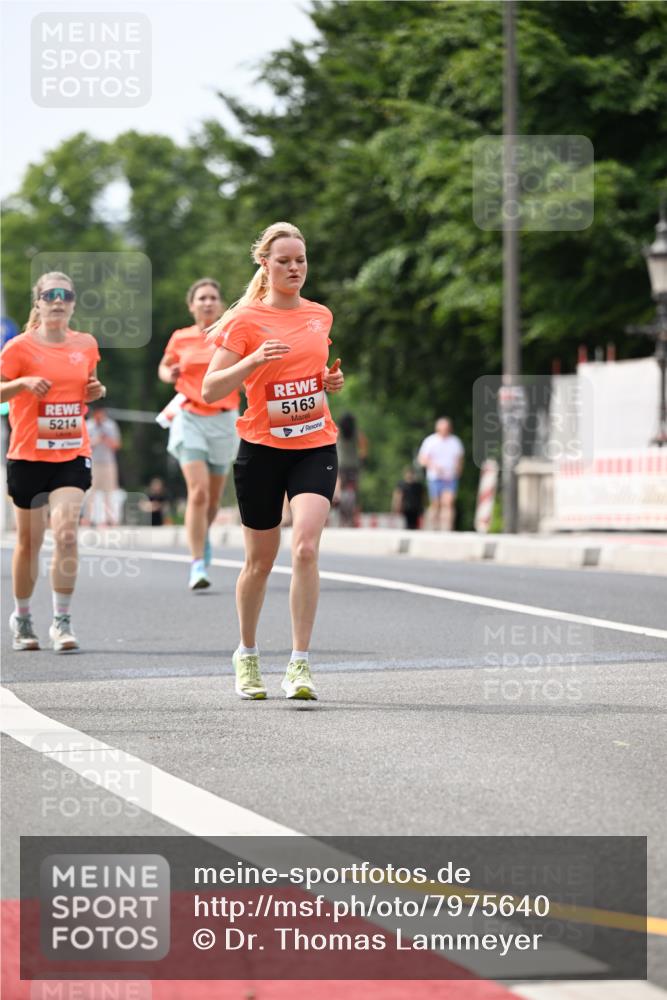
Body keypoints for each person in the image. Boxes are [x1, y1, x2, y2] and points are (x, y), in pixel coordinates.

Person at [202, 222, 344, 701]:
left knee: (305, 547)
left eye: (300, 260)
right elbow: (211, 388)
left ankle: (300, 665)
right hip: (262, 450)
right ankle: (247, 655)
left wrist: (328, 384)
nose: (294, 268)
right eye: (284, 260)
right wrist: (254, 360)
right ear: (264, 264)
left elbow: (312, 372)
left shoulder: (320, 316)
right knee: (259, 563)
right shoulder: (244, 321)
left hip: (314, 443)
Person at [0, 271, 106, 651]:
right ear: (38, 303)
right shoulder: (18, 348)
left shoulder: (86, 344)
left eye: (65, 294)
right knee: (29, 541)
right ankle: (23, 617)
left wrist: (97, 390)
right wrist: (22, 385)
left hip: (71, 453)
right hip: (28, 455)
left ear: (73, 303)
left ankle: (61, 621)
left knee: (65, 533)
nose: (57, 300)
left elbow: (89, 388)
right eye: (50, 295)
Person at [158, 279, 239, 590]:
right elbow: (164, 367)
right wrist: (171, 374)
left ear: (220, 304)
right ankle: (196, 563)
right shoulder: (180, 338)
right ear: (191, 305)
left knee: (214, 498)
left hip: (223, 419)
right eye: (201, 298)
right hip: (189, 417)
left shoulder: (230, 334)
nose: (207, 303)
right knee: (199, 492)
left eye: (213, 298)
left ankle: (201, 538)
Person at [417, 417, 464, 530]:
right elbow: (422, 459)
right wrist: (433, 466)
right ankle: (432, 527)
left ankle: (447, 529)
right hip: (435, 476)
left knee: (448, 503)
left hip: (450, 476)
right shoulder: (430, 441)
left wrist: (458, 471)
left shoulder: (455, 442)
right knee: (436, 503)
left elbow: (459, 458)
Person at [84, 405, 121, 526]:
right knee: (90, 492)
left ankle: (109, 519)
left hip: (108, 463)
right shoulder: (88, 425)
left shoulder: (111, 425)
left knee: (109, 492)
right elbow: (85, 445)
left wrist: (106, 440)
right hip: (93, 462)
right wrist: (96, 440)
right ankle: (87, 518)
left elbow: (117, 445)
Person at [336, 411, 368, 527]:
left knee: (341, 489)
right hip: (354, 465)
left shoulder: (338, 432)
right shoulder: (357, 433)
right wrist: (362, 459)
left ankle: (341, 517)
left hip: (341, 465)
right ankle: (354, 518)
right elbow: (364, 446)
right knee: (355, 491)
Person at [392, 466, 425, 530]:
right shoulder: (401, 484)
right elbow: (398, 496)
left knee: (414, 527)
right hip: (404, 508)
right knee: (405, 526)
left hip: (415, 509)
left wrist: (421, 508)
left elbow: (422, 497)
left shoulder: (418, 486)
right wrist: (396, 506)